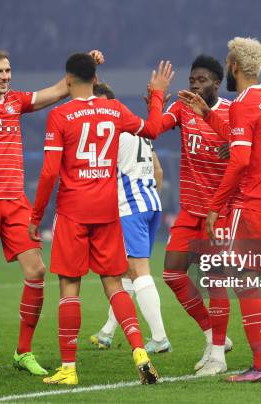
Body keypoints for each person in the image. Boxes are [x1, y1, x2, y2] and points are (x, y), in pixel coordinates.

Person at [0, 47, 104, 378]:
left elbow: (59, 90)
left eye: (8, 71)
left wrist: (85, 63)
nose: (5, 77)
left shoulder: (17, 102)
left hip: (15, 201)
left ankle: (23, 351)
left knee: (37, 270)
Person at [28, 53, 174, 385]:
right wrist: (157, 95)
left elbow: (50, 172)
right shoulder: (114, 109)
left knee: (69, 288)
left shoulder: (60, 115)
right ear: (96, 78)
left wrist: (36, 216)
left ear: (67, 80)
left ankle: (68, 369)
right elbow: (152, 128)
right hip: (108, 211)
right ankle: (140, 353)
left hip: (73, 212)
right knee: (115, 284)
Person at [179, 36, 261, 383]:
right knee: (250, 282)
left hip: (251, 203)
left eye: (227, 63)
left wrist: (215, 206)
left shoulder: (242, 103)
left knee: (242, 283)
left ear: (234, 66)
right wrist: (209, 115)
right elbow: (246, 142)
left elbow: (238, 161)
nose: (226, 67)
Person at [138, 55, 237, 374]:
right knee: (172, 274)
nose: (195, 84)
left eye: (202, 80)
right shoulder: (181, 107)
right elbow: (152, 130)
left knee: (215, 281)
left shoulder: (230, 113)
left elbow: (249, 148)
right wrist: (156, 96)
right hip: (190, 211)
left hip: (220, 213)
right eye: (192, 79)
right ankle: (214, 336)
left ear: (217, 84)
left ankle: (219, 358)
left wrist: (233, 144)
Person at [88, 82, 171, 354]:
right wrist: (149, 197)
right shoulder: (139, 131)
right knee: (126, 270)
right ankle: (107, 332)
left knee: (137, 271)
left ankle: (159, 338)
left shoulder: (112, 132)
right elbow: (157, 171)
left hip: (130, 209)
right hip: (150, 205)